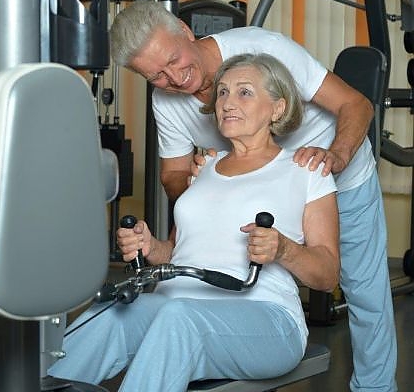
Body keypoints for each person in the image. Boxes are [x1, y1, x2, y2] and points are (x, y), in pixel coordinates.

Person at [109, 1, 397, 392]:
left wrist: (336, 156)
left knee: (364, 293)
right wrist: (200, 181)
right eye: (155, 75)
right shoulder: (167, 102)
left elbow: (355, 104)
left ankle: (377, 388)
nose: (174, 77)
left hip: (336, 176)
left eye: (174, 58)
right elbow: (173, 175)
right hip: (259, 195)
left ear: (184, 30)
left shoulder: (264, 50)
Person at [48, 53, 340, 392]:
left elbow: (328, 274)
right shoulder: (205, 168)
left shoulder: (304, 170)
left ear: (277, 108)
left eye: (244, 92)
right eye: (223, 93)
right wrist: (150, 246)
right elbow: (178, 253)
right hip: (175, 305)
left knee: (179, 317)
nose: (228, 103)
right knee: (114, 310)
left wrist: (284, 249)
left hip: (266, 318)